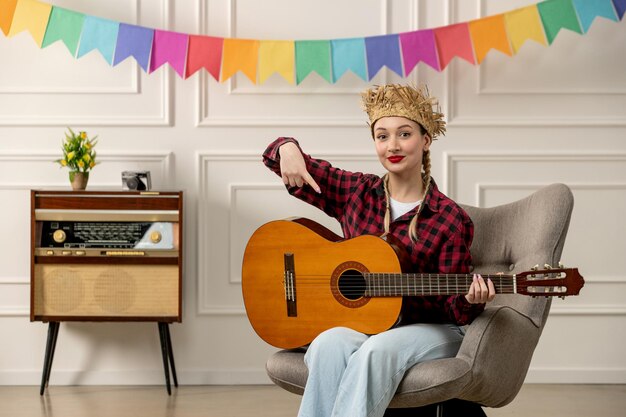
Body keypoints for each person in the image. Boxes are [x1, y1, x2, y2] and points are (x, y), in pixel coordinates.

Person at [262, 84, 496, 417]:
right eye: (382, 136)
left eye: (404, 134)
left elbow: (455, 312)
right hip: (369, 323)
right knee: (328, 344)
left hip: (432, 329)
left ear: (425, 140)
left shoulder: (449, 218)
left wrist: (472, 299)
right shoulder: (357, 192)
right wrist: (286, 147)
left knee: (376, 351)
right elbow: (277, 159)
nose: (393, 146)